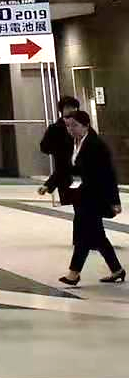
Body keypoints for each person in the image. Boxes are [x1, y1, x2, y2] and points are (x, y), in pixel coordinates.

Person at [48, 110, 125, 286]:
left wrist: (115, 201)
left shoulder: (96, 145)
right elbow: (65, 169)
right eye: (68, 126)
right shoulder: (73, 144)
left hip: (94, 197)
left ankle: (73, 274)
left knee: (83, 235)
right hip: (80, 196)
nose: (71, 129)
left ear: (86, 125)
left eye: (74, 125)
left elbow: (108, 174)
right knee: (97, 236)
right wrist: (49, 185)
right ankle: (117, 269)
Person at [40, 96, 80, 204]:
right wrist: (58, 149)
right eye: (68, 107)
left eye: (74, 107)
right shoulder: (54, 129)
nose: (71, 110)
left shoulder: (83, 127)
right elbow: (44, 147)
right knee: (69, 204)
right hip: (65, 178)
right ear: (62, 110)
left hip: (84, 175)